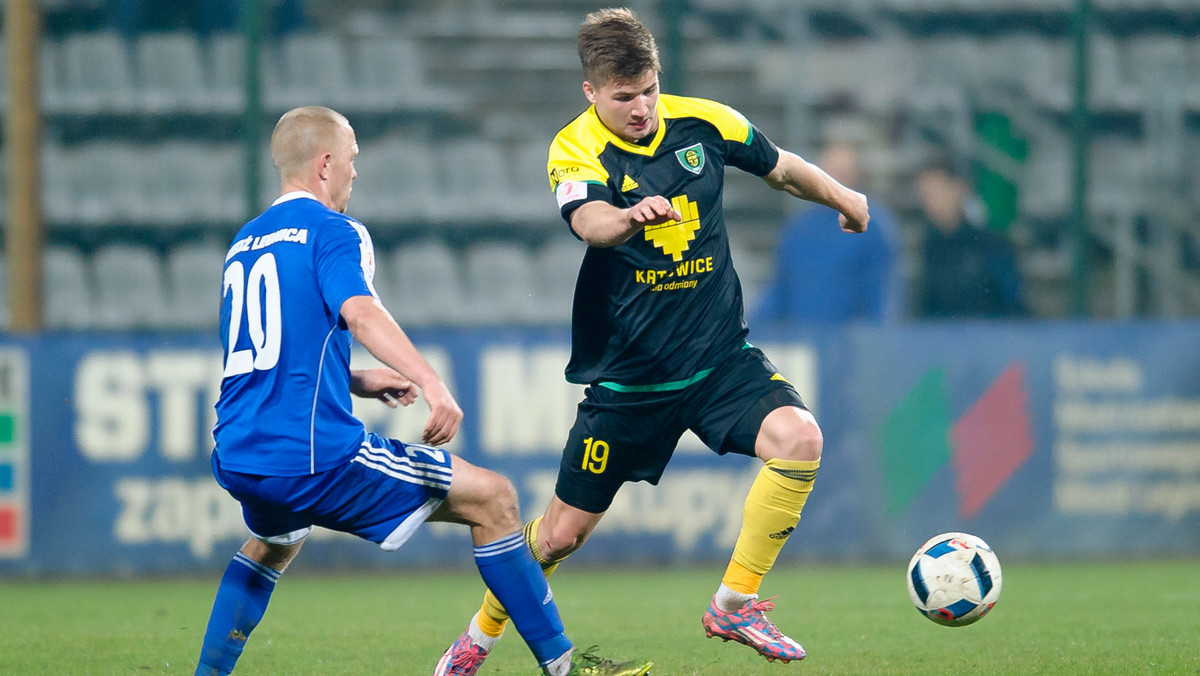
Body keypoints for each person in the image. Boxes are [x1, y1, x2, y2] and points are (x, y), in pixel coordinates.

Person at [433, 8, 870, 674]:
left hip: (720, 361)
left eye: (648, 91)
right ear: (591, 92)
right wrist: (630, 215)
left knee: (801, 439)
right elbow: (588, 221)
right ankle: (480, 635)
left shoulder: (706, 122)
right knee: (558, 536)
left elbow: (781, 167)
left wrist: (843, 196)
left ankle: (735, 601)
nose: (640, 108)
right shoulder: (575, 147)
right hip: (631, 383)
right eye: (622, 97)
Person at [194, 106, 652, 676]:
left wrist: (355, 380)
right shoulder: (334, 232)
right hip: (310, 455)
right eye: (353, 160)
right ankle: (566, 668)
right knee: (495, 498)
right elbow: (360, 313)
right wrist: (432, 382)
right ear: (326, 163)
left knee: (273, 540)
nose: (355, 174)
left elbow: (266, 353)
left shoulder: (245, 241)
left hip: (238, 450)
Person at [751, 140, 903, 324]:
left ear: (858, 173)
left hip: (849, 344)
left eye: (842, 170)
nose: (835, 177)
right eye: (829, 170)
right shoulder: (800, 227)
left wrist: (874, 342)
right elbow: (781, 289)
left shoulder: (872, 225)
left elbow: (881, 295)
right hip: (803, 342)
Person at [912, 156, 1028, 318]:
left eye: (937, 191)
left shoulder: (991, 245)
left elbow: (1014, 304)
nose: (931, 201)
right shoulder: (930, 245)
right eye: (925, 194)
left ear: (959, 189)